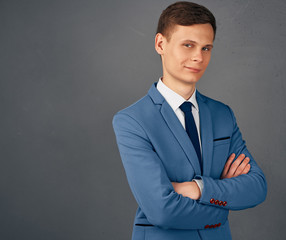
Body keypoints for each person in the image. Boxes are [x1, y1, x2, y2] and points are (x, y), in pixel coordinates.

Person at [112, 2, 267, 239]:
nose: (198, 57)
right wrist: (222, 206)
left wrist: (198, 188)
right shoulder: (132, 121)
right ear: (160, 44)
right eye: (188, 45)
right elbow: (162, 210)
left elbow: (256, 187)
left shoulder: (222, 114)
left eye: (206, 48)